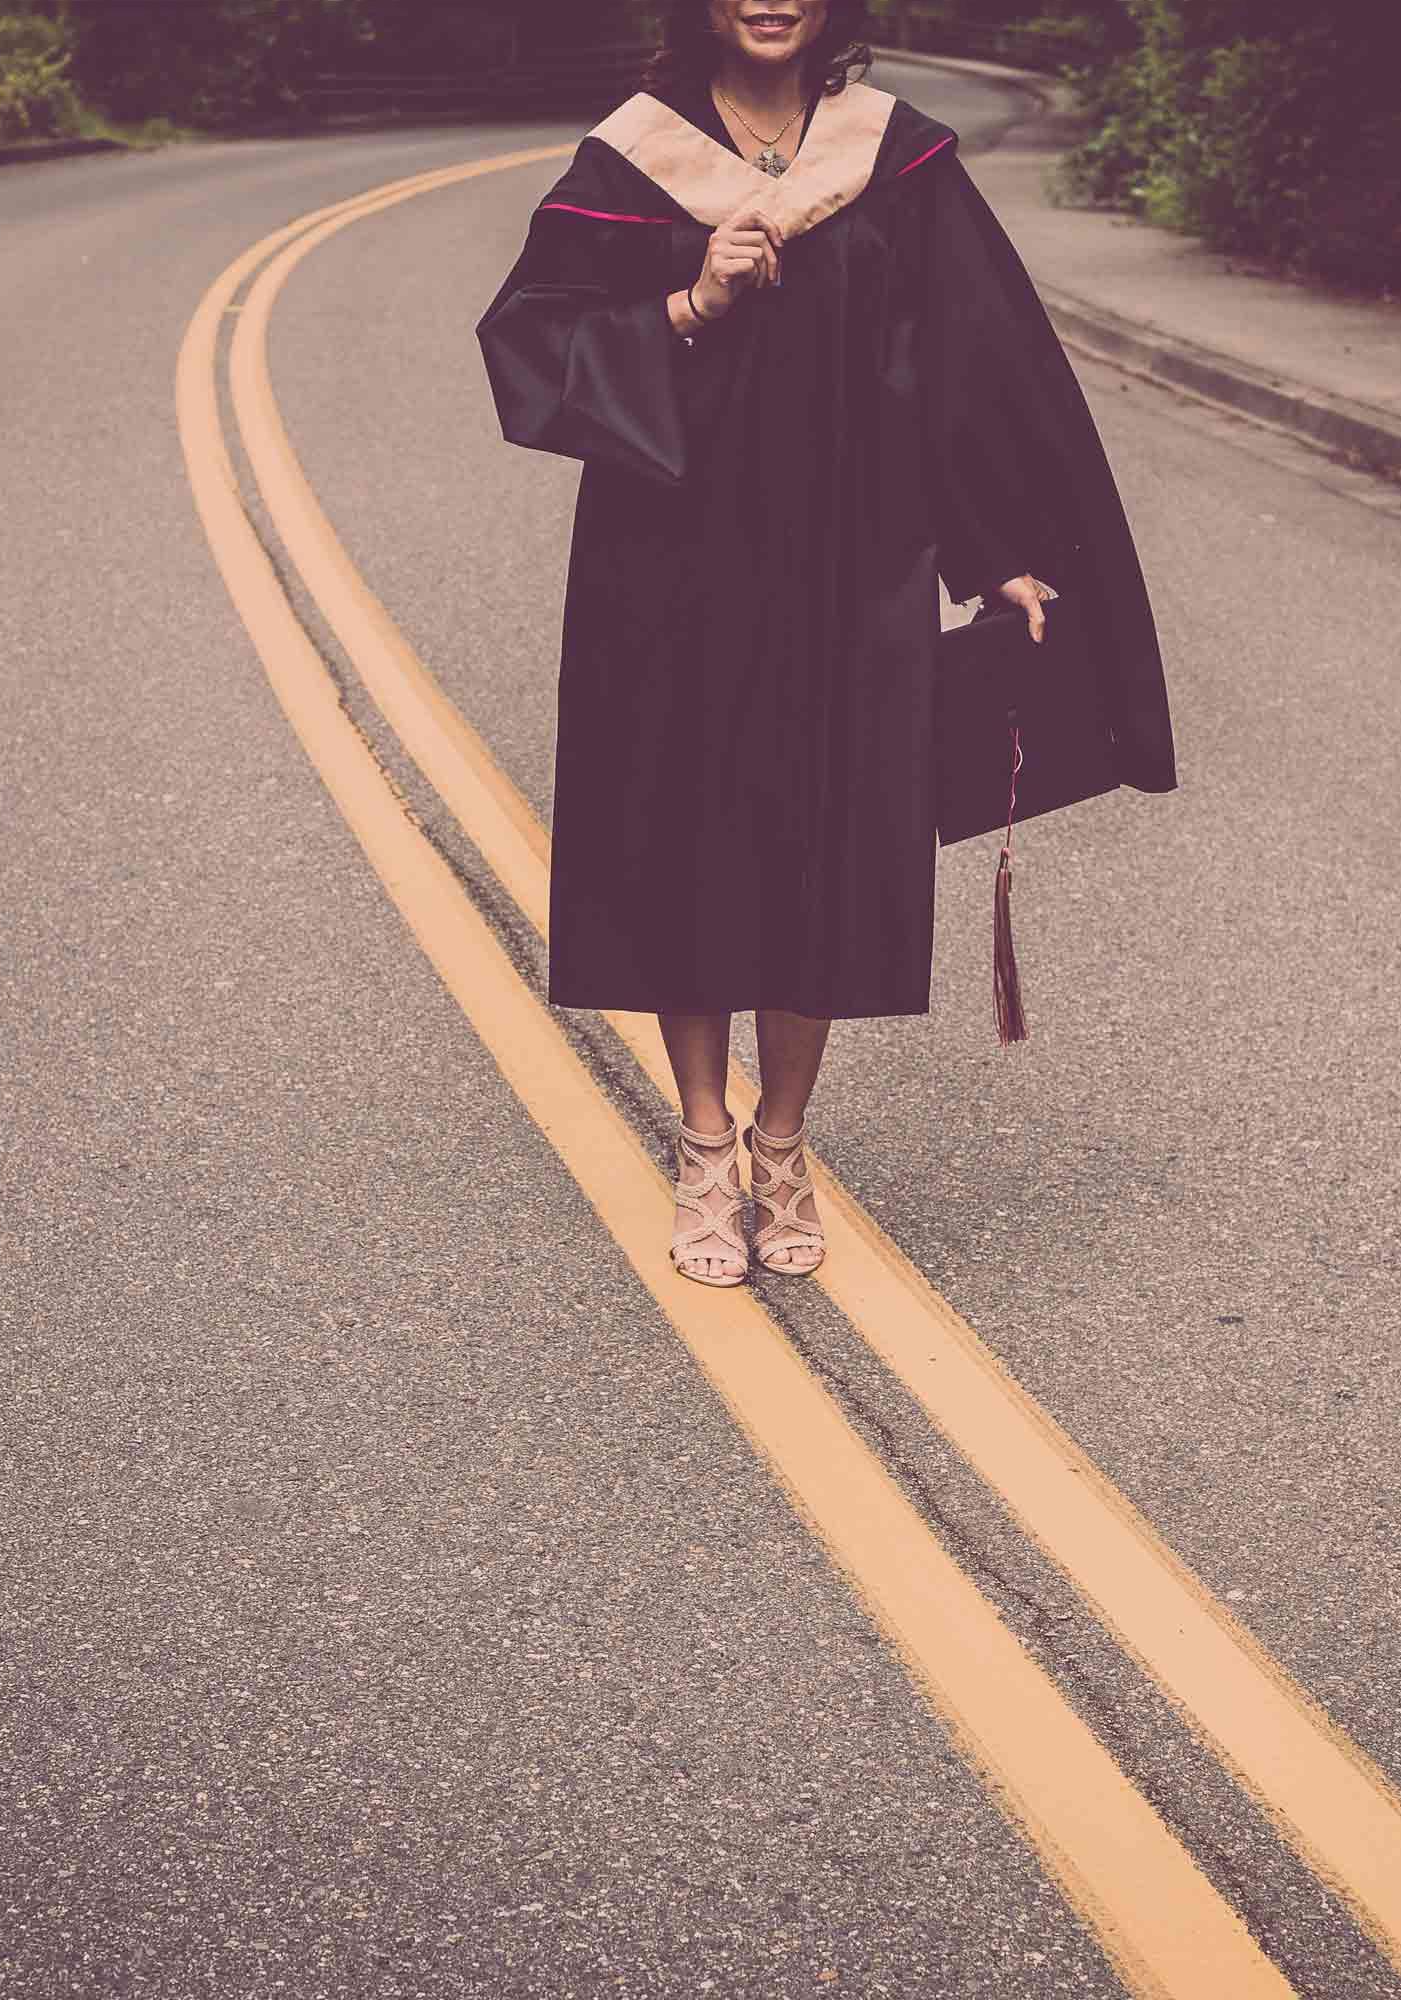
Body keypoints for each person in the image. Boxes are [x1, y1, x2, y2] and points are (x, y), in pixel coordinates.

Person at [475, 0, 1175, 1288]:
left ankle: (783, 1145)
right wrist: (691, 302)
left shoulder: (892, 158)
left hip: (854, 560)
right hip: (667, 564)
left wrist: (995, 547)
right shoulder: (633, 158)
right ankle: (700, 1144)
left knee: (828, 834)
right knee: (683, 832)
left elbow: (963, 369)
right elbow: (531, 347)